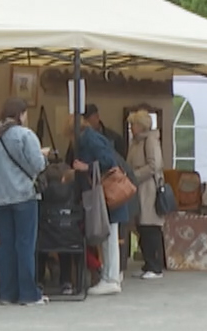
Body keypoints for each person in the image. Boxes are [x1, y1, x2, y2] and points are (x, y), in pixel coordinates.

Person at [0, 98, 47, 307]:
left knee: (7, 245)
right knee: (25, 244)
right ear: (20, 114)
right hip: (23, 195)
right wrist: (44, 156)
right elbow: (38, 165)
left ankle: (6, 293)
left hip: (1, 197)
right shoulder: (25, 135)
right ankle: (28, 293)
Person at [71, 104, 132, 296]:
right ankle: (110, 275)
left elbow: (107, 162)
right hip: (108, 191)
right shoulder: (93, 137)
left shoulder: (89, 140)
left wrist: (86, 167)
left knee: (110, 235)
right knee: (110, 234)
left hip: (107, 192)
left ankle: (111, 278)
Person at [126, 110, 168, 280]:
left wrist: (134, 175)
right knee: (142, 227)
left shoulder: (150, 141)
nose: (131, 128)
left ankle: (155, 266)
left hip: (149, 188)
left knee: (150, 226)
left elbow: (154, 165)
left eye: (133, 124)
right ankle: (147, 264)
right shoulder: (135, 142)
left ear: (141, 125)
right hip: (138, 188)